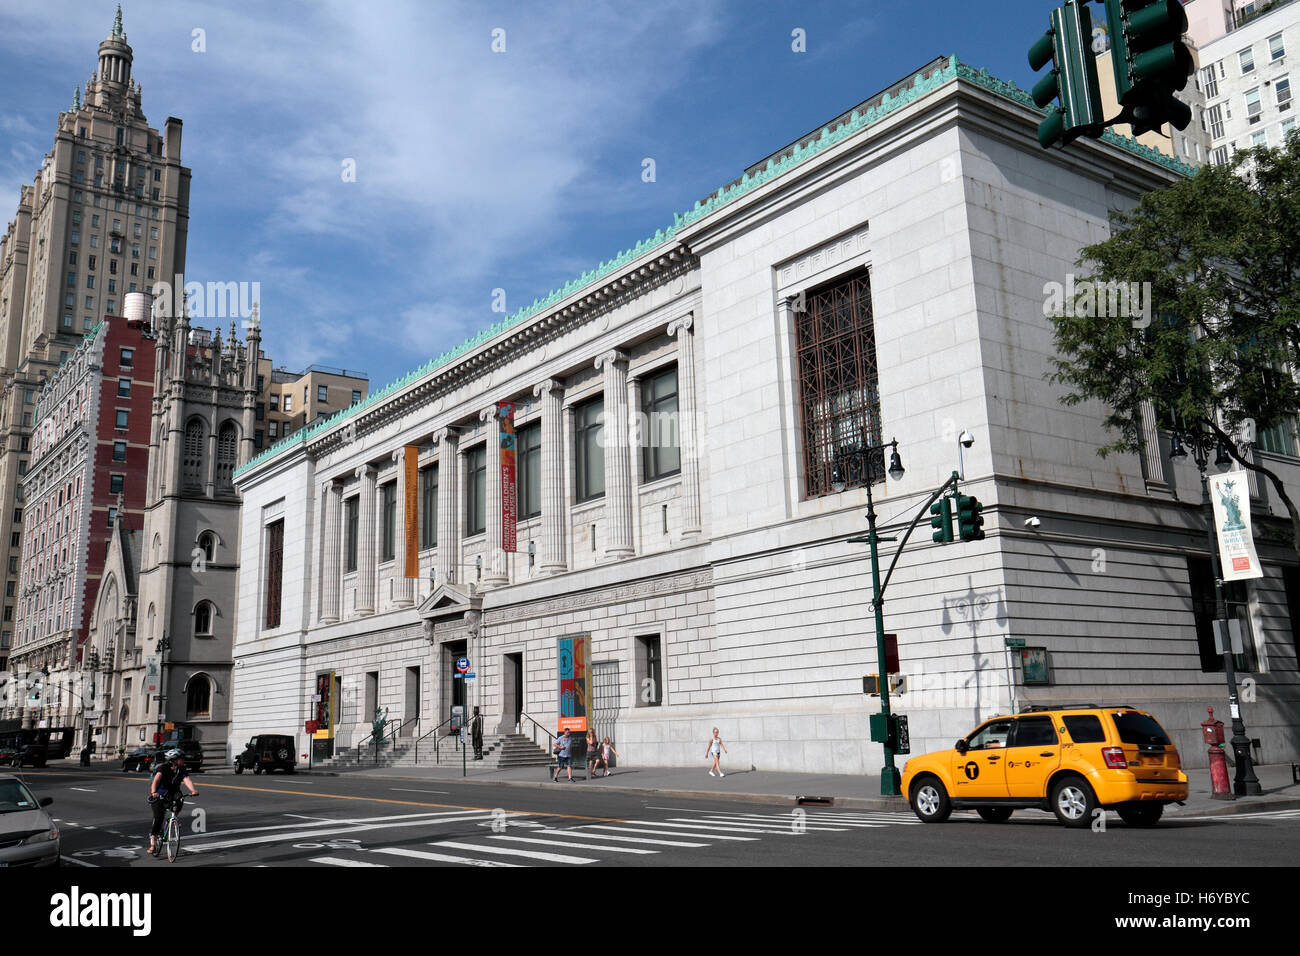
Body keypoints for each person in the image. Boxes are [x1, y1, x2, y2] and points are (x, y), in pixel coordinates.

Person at [147, 748, 198, 855]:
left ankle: (173, 819)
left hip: (173, 793)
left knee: (180, 798)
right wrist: (154, 792)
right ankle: (153, 842)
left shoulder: (182, 769)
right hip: (160, 794)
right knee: (158, 817)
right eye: (181, 758)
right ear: (174, 760)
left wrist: (193, 790)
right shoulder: (163, 768)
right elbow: (156, 780)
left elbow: (187, 780)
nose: (183, 760)